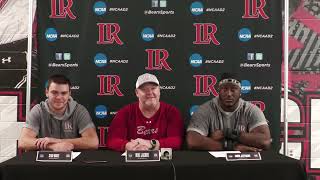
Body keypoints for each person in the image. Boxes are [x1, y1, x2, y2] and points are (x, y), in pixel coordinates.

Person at [186, 73, 271, 151]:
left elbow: (265, 142)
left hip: (244, 162)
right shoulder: (205, 109)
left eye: (233, 89)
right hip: (213, 162)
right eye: (225, 89)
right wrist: (231, 147)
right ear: (218, 91)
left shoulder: (251, 110)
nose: (229, 94)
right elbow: (192, 141)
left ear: (240, 92)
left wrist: (228, 133)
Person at [18, 74, 99, 151]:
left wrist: (55, 140)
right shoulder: (38, 110)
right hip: (43, 161)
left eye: (64, 93)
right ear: (47, 92)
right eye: (54, 92)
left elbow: (93, 142)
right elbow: (23, 142)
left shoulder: (79, 110)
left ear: (69, 94)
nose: (59, 97)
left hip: (71, 161)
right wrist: (52, 146)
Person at [106, 73, 183, 152]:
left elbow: (176, 141)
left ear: (159, 90)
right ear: (136, 92)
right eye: (144, 89)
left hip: (163, 162)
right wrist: (129, 146)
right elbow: (112, 140)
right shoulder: (126, 112)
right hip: (134, 161)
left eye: (153, 88)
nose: (149, 92)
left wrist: (151, 144)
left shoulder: (171, 111)